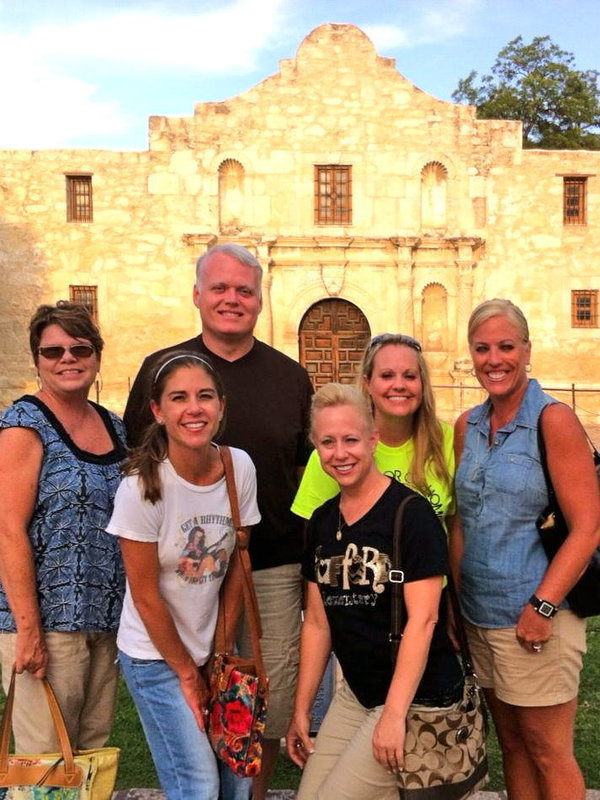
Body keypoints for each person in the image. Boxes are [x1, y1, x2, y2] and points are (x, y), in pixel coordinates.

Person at [123, 243, 313, 799]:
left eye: (244, 290)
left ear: (259, 298)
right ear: (198, 295)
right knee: (197, 695)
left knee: (260, 707)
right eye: (220, 288)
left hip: (270, 566)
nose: (232, 299)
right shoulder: (162, 369)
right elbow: (139, 465)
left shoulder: (289, 376)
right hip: (185, 569)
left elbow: (309, 469)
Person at [451, 298, 600, 800]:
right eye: (483, 348)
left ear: (527, 350)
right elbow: (462, 523)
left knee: (547, 749)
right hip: (479, 616)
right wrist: (454, 603)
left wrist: (542, 606)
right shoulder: (466, 426)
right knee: (511, 746)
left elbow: (588, 528)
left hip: (536, 617)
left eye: (506, 346)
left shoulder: (553, 421)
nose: (495, 359)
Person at [286, 383, 463, 800]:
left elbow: (424, 620)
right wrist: (302, 708)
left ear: (373, 439)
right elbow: (316, 623)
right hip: (360, 694)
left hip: (416, 695)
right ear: (315, 447)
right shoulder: (322, 522)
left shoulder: (411, 515)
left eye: (351, 440)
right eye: (327, 442)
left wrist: (395, 715)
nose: (340, 453)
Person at [107, 352, 261, 800]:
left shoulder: (239, 468)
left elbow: (239, 563)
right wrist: (188, 674)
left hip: (211, 649)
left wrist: (220, 651)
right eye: (179, 398)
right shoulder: (142, 487)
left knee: (238, 776)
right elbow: (146, 596)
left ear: (221, 406)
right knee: (197, 784)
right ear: (158, 411)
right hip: (155, 656)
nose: (194, 408)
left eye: (204, 396)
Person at [0, 301, 127, 751]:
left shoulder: (115, 426)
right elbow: (8, 530)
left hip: (105, 620)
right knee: (48, 761)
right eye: (52, 351)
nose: (67, 359)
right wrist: (29, 630)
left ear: (96, 355)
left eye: (79, 348)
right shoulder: (23, 424)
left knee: (92, 754)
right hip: (48, 624)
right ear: (36, 359)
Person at [292, 333, 454, 525]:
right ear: (368, 383)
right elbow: (314, 533)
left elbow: (457, 526)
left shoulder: (448, 439)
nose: (399, 385)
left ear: (422, 384)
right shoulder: (337, 450)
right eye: (387, 376)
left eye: (410, 376)